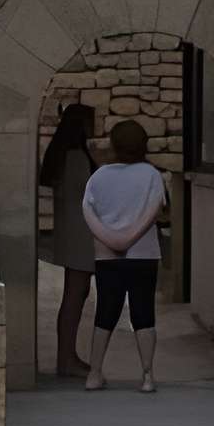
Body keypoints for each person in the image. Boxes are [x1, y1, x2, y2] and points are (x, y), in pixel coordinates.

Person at [78, 117, 167, 393]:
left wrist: (112, 240)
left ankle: (94, 373)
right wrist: (131, 238)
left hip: (107, 256)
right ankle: (147, 376)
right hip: (144, 255)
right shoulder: (151, 175)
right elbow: (157, 209)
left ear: (114, 145)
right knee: (143, 312)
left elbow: (87, 210)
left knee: (105, 311)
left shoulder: (99, 176)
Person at [37, 102, 98, 380]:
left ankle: (68, 355)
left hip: (71, 231)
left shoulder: (65, 155)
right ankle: (66, 358)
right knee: (75, 295)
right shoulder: (76, 157)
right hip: (80, 234)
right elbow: (89, 195)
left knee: (75, 294)